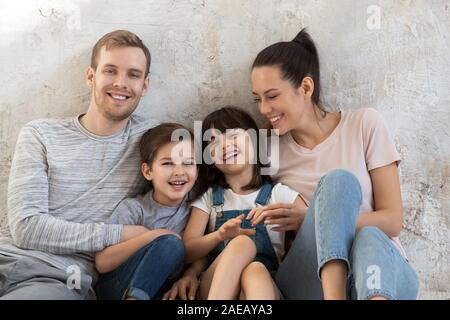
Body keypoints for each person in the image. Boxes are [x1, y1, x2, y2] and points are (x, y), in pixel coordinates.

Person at [250, 28, 419, 299]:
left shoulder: (364, 123)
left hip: (379, 270)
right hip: (311, 280)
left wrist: (315, 219)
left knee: (366, 230)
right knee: (339, 185)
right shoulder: (267, 148)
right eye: (257, 99)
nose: (263, 109)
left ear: (305, 87)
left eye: (272, 96)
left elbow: (393, 220)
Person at [0, 30, 161, 300]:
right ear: (91, 76)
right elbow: (26, 227)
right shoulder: (40, 134)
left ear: (145, 86)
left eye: (133, 74)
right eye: (110, 71)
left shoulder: (153, 141)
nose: (121, 83)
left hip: (57, 277)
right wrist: (121, 233)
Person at [180, 106, 307, 300]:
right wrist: (218, 236)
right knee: (242, 244)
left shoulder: (277, 194)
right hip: (216, 285)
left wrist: (299, 219)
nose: (224, 145)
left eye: (232, 135)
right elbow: (187, 251)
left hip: (266, 285)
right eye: (213, 141)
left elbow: (313, 226)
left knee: (255, 270)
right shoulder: (209, 199)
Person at [95, 123, 198, 300]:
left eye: (188, 163)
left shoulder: (198, 208)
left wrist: (191, 274)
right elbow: (102, 263)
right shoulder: (134, 209)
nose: (179, 172)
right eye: (167, 163)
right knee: (171, 243)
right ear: (148, 171)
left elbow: (202, 251)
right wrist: (153, 236)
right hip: (119, 287)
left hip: (164, 289)